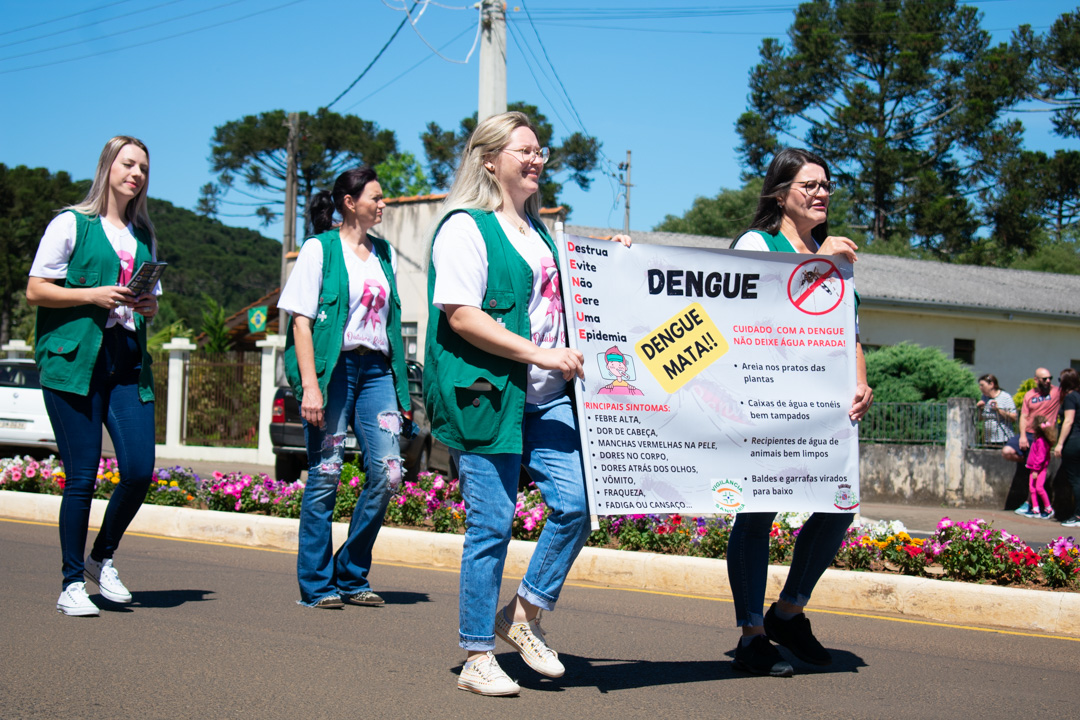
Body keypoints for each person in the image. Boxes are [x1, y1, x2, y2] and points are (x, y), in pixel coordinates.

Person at [423, 111, 630, 696]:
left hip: (546, 400)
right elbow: (461, 316)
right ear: (490, 160)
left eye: (541, 151)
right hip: (492, 398)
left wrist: (609, 257)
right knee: (491, 525)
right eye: (524, 150)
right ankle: (476, 657)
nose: (537, 159)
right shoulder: (466, 228)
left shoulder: (542, 233)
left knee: (577, 505)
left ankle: (523, 614)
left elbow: (573, 298)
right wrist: (539, 355)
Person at [725, 147, 873, 677]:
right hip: (764, 400)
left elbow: (848, 332)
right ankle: (751, 635)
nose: (821, 193)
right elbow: (759, 308)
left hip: (824, 410)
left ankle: (788, 611)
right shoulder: (756, 244)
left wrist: (860, 379)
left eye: (826, 185)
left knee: (840, 505)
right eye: (808, 185)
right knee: (758, 511)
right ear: (780, 194)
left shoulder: (835, 255)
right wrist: (819, 262)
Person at [26, 136, 161, 617]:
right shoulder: (71, 223)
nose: (137, 174)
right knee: (82, 477)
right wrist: (92, 295)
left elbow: (152, 300)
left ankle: (100, 557)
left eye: (143, 167)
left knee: (140, 471)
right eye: (128, 164)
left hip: (126, 360)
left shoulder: (142, 234)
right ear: (107, 166)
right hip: (75, 362)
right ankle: (69, 584)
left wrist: (149, 303)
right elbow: (36, 289)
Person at [279, 167, 412, 609]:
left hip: (376, 371)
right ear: (350, 202)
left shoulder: (384, 254)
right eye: (375, 197)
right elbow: (300, 321)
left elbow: (392, 327)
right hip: (333, 371)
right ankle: (317, 585)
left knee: (389, 473)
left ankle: (351, 573)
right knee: (326, 474)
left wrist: (403, 395)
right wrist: (310, 388)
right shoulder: (319, 250)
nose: (383, 203)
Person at [1003, 368, 1061, 464]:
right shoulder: (1029, 395)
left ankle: (1031, 463)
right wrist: (1023, 436)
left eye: (1050, 378)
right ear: (1036, 380)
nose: (1048, 381)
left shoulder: (1056, 392)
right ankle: (1027, 461)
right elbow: (1024, 416)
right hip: (1029, 433)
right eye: (1044, 379)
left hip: (1044, 434)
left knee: (1038, 463)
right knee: (1007, 452)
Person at [1053, 368, 1080, 527]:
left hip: (1074, 441)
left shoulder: (1070, 398)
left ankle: (1077, 515)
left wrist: (1060, 443)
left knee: (1076, 480)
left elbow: (1068, 421)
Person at [1024, 415, 1056, 520]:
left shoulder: (1041, 441)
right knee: (1032, 488)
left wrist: (1036, 470)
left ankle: (1048, 508)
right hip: (1034, 467)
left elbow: (1040, 457)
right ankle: (1035, 508)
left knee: (1039, 488)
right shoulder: (1038, 439)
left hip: (1038, 468)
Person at [976, 373, 1016, 445]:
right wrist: (980, 409)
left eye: (982, 385)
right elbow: (980, 419)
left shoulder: (1005, 397)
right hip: (989, 439)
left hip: (1004, 439)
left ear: (991, 384)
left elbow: (1014, 417)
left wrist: (998, 410)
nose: (980, 388)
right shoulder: (984, 398)